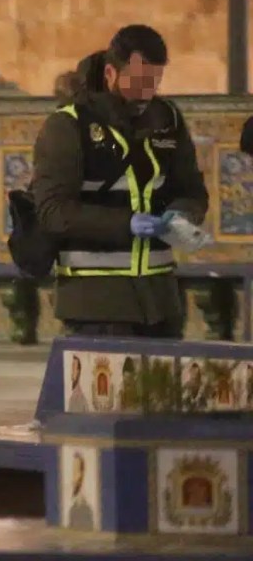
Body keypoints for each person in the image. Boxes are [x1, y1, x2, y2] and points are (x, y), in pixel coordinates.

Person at [30, 25, 209, 339]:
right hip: (95, 302)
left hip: (161, 301)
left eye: (154, 82)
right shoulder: (69, 125)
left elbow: (192, 190)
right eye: (138, 82)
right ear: (111, 73)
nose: (146, 93)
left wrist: (182, 215)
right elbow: (53, 211)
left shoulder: (167, 119)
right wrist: (126, 224)